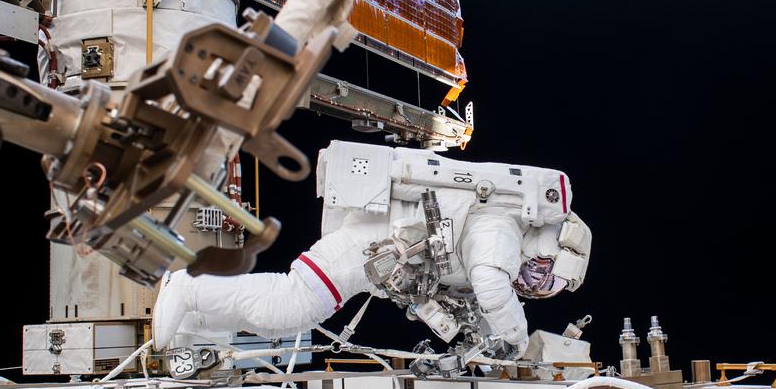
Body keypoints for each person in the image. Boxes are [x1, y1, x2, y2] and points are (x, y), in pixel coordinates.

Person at [153, 140, 590, 360]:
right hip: (365, 246)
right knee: (288, 308)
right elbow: (492, 283)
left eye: (541, 288)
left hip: (372, 254)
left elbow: (479, 299)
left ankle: (197, 318)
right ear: (549, 246)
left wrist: (492, 342)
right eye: (542, 274)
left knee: (282, 314)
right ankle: (187, 289)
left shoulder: (498, 226)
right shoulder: (503, 228)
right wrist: (515, 340)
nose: (532, 283)